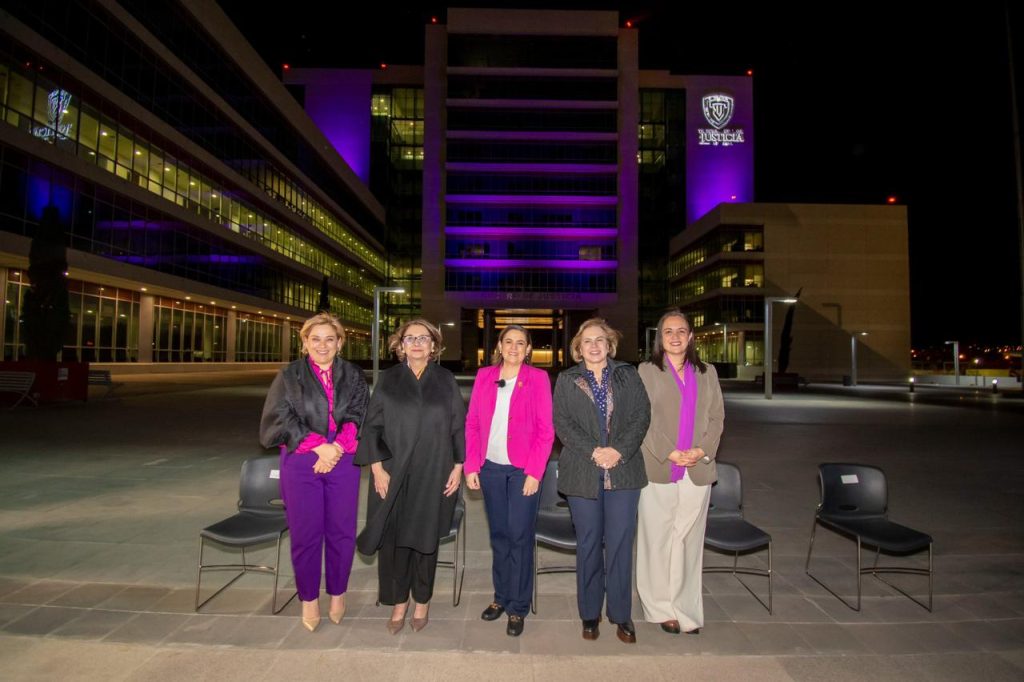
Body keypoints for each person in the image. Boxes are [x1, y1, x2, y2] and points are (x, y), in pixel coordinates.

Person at [259, 312, 369, 632]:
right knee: (305, 533)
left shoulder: (353, 374)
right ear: (305, 342)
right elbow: (281, 417)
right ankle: (308, 597)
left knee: (341, 531)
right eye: (315, 339)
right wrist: (320, 446)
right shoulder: (289, 375)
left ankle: (337, 593)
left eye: (329, 339)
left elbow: (359, 413)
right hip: (302, 457)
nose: (323, 345)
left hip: (343, 457)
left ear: (340, 343)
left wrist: (337, 448)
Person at [355, 319, 466, 634]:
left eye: (423, 338)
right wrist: (377, 468)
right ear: (400, 345)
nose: (417, 343)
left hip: (434, 470)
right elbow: (372, 426)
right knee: (396, 539)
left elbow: (458, 424)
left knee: (424, 539)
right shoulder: (389, 379)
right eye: (410, 338)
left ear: (434, 346)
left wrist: (458, 467)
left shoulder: (445, 380)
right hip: (393, 472)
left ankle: (422, 601)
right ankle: (399, 601)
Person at [553, 318, 650, 644]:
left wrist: (618, 451)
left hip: (624, 471)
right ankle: (589, 613)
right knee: (589, 544)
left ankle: (621, 614)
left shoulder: (628, 374)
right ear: (578, 349)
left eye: (600, 340)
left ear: (609, 345)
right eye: (587, 341)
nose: (594, 346)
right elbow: (562, 422)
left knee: (621, 545)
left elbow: (641, 415)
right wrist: (594, 452)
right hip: (583, 472)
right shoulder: (567, 379)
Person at [637, 309, 724, 635]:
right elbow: (642, 418)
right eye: (668, 331)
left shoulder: (707, 372)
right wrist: (669, 451)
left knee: (688, 540)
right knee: (657, 538)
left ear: (690, 336)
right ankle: (659, 608)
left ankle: (685, 609)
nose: (675, 337)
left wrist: (701, 450)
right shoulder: (647, 371)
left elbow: (717, 417)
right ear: (660, 338)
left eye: (681, 331)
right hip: (659, 465)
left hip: (698, 468)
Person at [464, 325, 555, 637]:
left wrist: (534, 472)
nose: (514, 348)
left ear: (528, 349)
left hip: (522, 471)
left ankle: (518, 606)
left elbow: (546, 430)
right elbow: (472, 423)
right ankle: (501, 597)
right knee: (499, 536)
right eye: (508, 342)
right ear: (499, 346)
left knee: (519, 536)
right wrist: (471, 465)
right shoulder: (484, 376)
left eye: (520, 343)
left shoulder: (538, 378)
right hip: (490, 468)